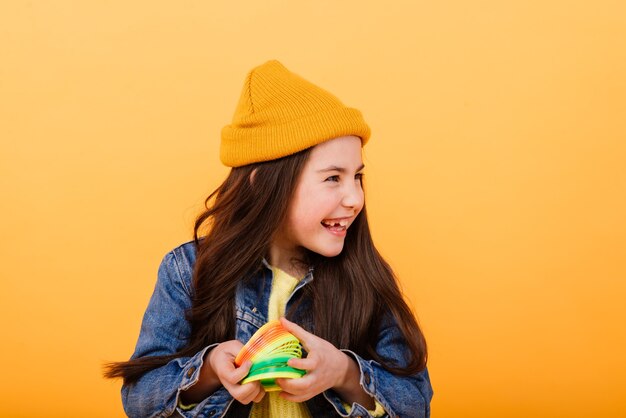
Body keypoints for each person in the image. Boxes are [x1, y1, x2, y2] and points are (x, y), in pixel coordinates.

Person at [105, 60, 433, 417]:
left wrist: (342, 372)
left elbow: (416, 402)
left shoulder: (363, 275)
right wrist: (210, 370)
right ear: (262, 182)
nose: (355, 198)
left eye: (357, 176)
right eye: (333, 178)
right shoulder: (187, 271)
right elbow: (138, 401)